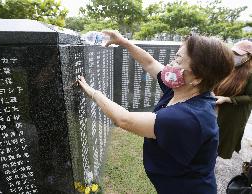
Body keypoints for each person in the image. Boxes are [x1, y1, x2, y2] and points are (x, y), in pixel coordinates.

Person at [77, 31, 234, 194]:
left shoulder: (188, 117)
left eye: (178, 60)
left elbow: (124, 119)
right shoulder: (184, 89)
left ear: (198, 78)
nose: (170, 64)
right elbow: (150, 63)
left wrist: (93, 93)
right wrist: (124, 42)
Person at [214, 40, 252, 159]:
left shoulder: (250, 73)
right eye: (233, 52)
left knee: (224, 137)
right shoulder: (231, 66)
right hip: (219, 106)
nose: (234, 56)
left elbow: (250, 97)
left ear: (248, 56)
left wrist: (228, 99)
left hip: (235, 113)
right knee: (213, 135)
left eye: (238, 54)